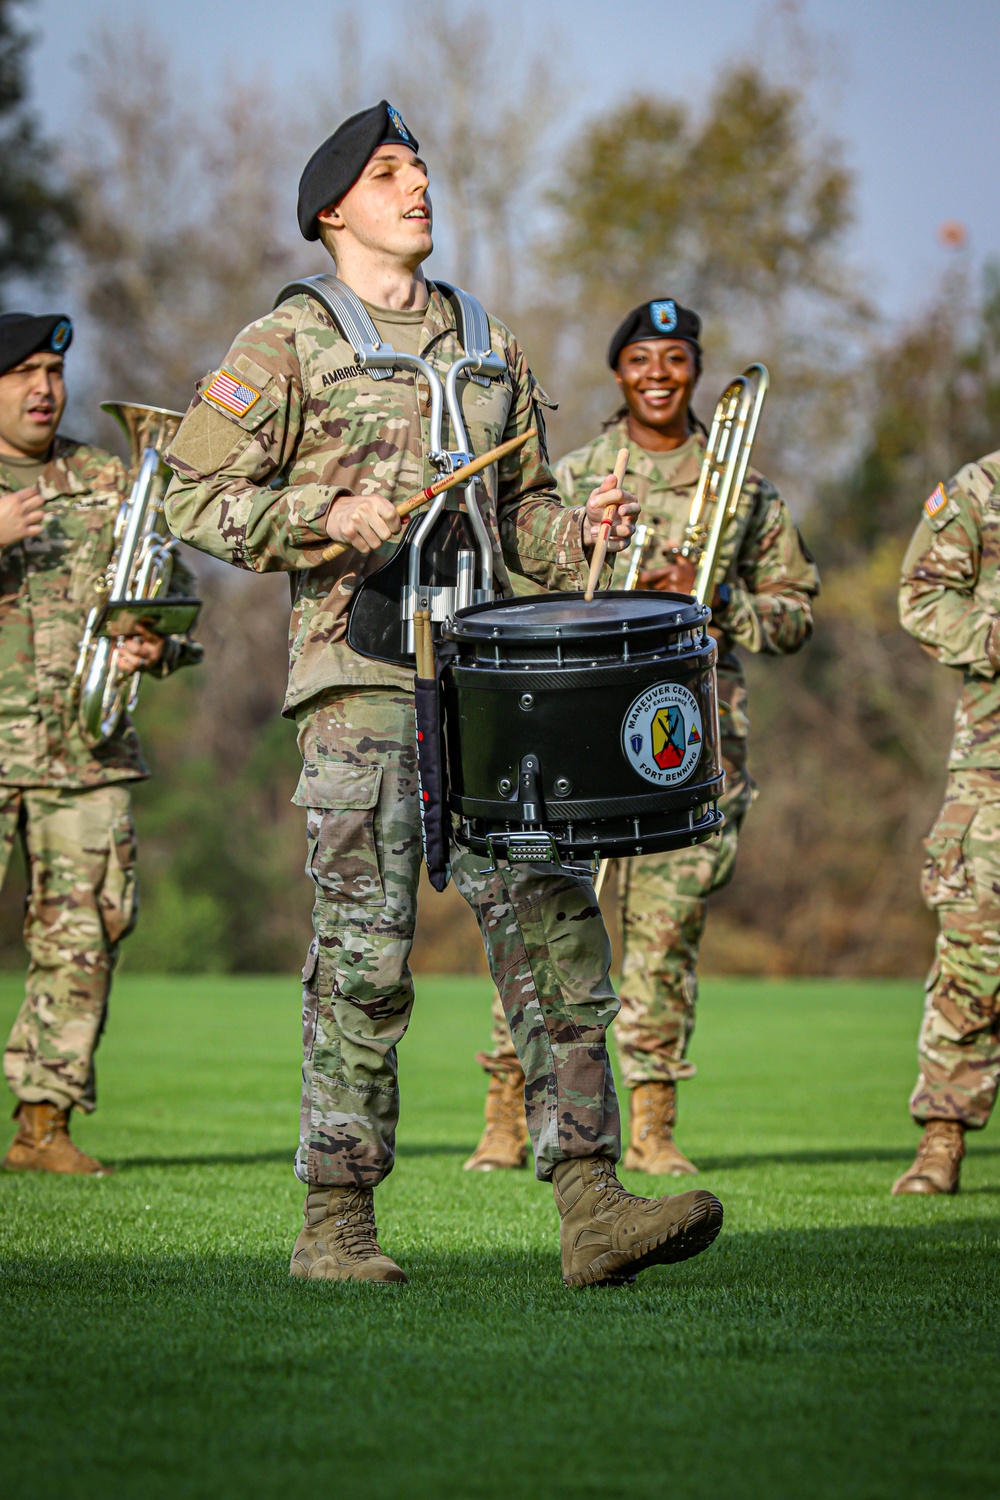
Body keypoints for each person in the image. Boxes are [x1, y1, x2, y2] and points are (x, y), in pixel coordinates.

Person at [163, 102, 725, 1286]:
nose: (416, 184)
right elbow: (188, 497)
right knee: (363, 957)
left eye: (419, 167)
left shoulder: (488, 338)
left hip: (494, 686)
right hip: (360, 681)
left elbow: (519, 513)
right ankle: (336, 1227)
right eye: (387, 172)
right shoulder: (289, 341)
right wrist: (322, 515)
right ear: (333, 210)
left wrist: (579, 534)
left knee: (556, 927)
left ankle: (592, 1206)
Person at [465, 298, 819, 1177]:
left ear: (695, 371)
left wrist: (714, 601)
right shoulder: (582, 471)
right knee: (542, 919)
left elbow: (798, 614)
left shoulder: (743, 490)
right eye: (641, 359)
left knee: (666, 938)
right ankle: (506, 1113)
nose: (658, 375)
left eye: (676, 358)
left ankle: (655, 1125)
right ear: (617, 372)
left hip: (686, 746)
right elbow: (520, 587)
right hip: (577, 737)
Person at [0, 312, 202, 1175]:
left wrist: (158, 644)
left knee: (84, 935)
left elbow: (174, 594)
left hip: (85, 752)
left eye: (52, 370)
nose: (44, 388)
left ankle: (40, 1125)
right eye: (21, 373)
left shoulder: (110, 481)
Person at [892, 453, 1000, 1195]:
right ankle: (942, 1139)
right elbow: (923, 594)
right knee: (973, 949)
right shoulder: (982, 489)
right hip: (992, 765)